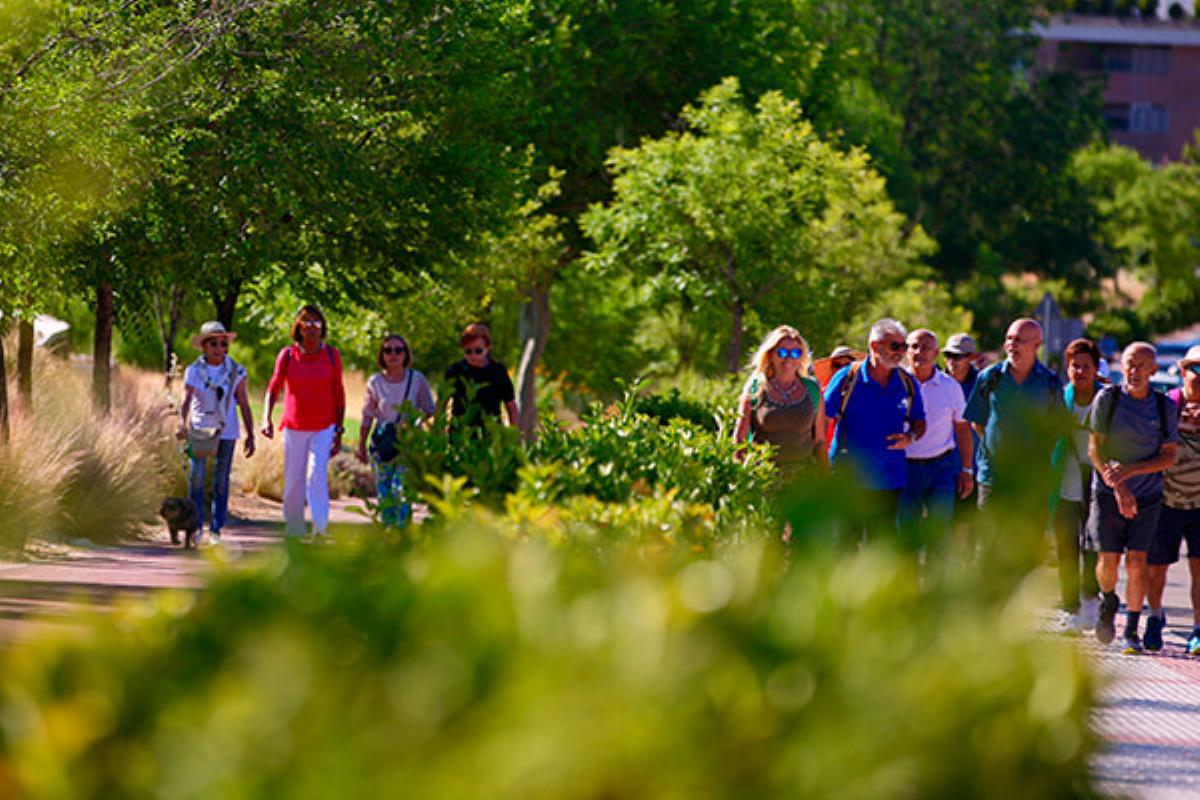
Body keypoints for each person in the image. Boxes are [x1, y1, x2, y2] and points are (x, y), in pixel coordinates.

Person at [1087, 342, 1178, 653]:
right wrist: (1118, 484)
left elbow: (1168, 457)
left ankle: (1131, 630)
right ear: (1121, 366)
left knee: (1138, 562)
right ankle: (1109, 600)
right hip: (1107, 492)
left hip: (1148, 496)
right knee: (1108, 560)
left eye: (1141, 365)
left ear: (1154, 370)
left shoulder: (1164, 407)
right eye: (1129, 364)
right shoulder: (1108, 399)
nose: (1134, 371)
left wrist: (1131, 471)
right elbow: (1095, 449)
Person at [824, 318, 926, 533]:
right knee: (844, 548)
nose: (901, 352)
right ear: (874, 346)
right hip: (847, 481)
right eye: (894, 346)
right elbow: (821, 421)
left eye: (904, 346)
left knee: (880, 552)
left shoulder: (907, 383)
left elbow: (920, 421)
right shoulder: (847, 378)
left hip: (889, 481)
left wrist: (912, 438)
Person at [261, 305, 347, 538]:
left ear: (322, 328)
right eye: (306, 322)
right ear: (298, 327)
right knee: (293, 482)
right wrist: (266, 418)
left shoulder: (331, 355)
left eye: (316, 323)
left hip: (323, 426)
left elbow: (338, 393)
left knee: (315, 475)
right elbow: (273, 388)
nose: (311, 327)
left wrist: (339, 430)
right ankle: (294, 528)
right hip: (294, 426)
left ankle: (320, 528)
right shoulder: (287, 355)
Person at [963, 318, 1063, 508]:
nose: (1011, 345)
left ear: (1037, 345)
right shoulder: (989, 377)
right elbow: (977, 422)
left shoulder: (1050, 383)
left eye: (1018, 340)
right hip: (993, 478)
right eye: (1008, 339)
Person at [177, 321, 255, 545]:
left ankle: (216, 529)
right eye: (213, 343)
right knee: (197, 478)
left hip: (227, 430)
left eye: (223, 343)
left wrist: (250, 433)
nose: (219, 348)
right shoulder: (194, 371)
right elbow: (186, 399)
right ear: (204, 346)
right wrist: (182, 423)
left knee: (221, 480)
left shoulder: (236, 371)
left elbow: (244, 402)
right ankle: (196, 527)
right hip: (201, 428)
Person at [1146, 344, 1200, 654]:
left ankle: (1198, 628)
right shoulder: (1168, 406)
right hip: (1165, 502)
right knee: (1157, 567)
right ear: (1182, 372)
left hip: (1199, 506)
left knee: (1198, 570)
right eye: (1196, 369)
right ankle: (1154, 618)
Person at [898, 330, 973, 550]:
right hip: (905, 467)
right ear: (905, 351)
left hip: (941, 467)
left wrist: (967, 471)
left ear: (936, 353)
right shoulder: (895, 383)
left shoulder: (950, 387)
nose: (919, 352)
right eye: (914, 346)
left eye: (926, 347)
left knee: (939, 535)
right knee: (906, 535)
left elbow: (962, 429)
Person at [357, 334, 436, 528]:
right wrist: (361, 445)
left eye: (398, 350)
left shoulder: (416, 379)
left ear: (406, 354)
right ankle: (389, 534)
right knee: (384, 493)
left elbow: (429, 409)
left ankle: (403, 535)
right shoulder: (375, 382)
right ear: (381, 354)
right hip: (382, 444)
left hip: (408, 444)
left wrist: (415, 423)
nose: (393, 354)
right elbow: (367, 415)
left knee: (402, 490)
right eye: (388, 350)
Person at [1052, 338, 1103, 632]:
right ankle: (1069, 606)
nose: (1080, 372)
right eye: (1074, 366)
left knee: (1093, 545)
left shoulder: (1106, 399)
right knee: (1066, 546)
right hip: (1065, 482)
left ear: (1096, 369)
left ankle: (1091, 602)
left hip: (1097, 484)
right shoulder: (1061, 399)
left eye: (1086, 366)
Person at [733, 326, 827, 477]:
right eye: (782, 352)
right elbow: (740, 438)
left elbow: (820, 441)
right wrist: (742, 476)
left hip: (803, 478)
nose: (789, 358)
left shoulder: (812, 389)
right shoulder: (756, 387)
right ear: (770, 355)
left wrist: (825, 478)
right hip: (764, 476)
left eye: (796, 353)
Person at [445, 323, 517, 432]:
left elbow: (510, 405)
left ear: (487, 348)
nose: (473, 356)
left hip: (491, 433)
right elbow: (442, 403)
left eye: (478, 351)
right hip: (461, 433)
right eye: (468, 352)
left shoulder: (498, 371)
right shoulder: (455, 371)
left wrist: (514, 434)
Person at [942, 333, 981, 402]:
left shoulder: (982, 383)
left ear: (971, 357)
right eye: (948, 355)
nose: (951, 360)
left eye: (956, 356)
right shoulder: (936, 382)